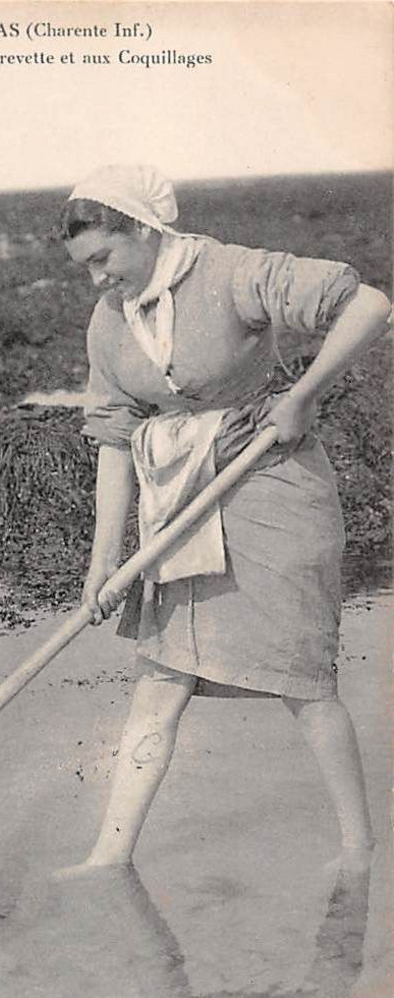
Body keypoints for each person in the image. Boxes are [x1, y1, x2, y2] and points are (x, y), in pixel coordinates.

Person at [58, 165, 391, 872]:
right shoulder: (109, 322)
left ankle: (358, 850)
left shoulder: (231, 272)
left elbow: (368, 305)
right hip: (178, 503)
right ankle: (107, 858)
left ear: (143, 232)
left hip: (271, 489)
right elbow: (113, 443)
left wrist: (301, 396)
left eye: (102, 260)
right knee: (160, 676)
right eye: (82, 267)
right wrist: (100, 564)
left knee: (303, 680)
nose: (95, 280)